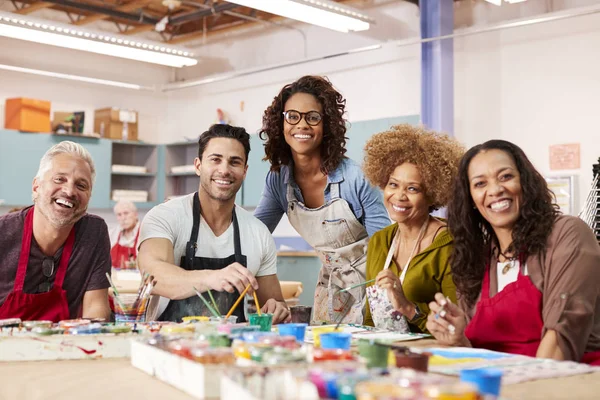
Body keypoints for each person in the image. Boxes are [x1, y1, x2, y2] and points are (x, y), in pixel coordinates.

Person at [426, 140, 600, 364]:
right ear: (470, 199)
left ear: (525, 182)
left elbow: (560, 339)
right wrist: (458, 339)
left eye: (506, 177)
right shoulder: (475, 258)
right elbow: (482, 352)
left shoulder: (567, 233)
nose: (495, 190)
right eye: (480, 184)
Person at [254, 75, 390, 324]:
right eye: (292, 116)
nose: (301, 125)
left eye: (313, 117)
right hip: (330, 286)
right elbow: (254, 236)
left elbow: (387, 246)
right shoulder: (278, 181)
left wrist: (380, 301)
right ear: (281, 124)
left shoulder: (355, 178)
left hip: (374, 283)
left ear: (326, 125)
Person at [138, 124, 290, 323]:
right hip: (167, 343)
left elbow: (273, 302)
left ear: (244, 171)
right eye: (215, 160)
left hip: (233, 347)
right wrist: (212, 278)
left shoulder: (258, 233)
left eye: (234, 162)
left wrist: (278, 309)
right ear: (198, 165)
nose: (224, 170)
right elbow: (153, 277)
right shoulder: (165, 216)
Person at [362, 124, 463, 333]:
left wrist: (408, 307)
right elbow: (370, 319)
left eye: (412, 188)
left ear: (432, 194)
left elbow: (456, 325)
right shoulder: (379, 241)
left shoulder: (449, 245)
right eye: (393, 184)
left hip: (432, 354)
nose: (399, 196)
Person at [0, 141, 111, 322]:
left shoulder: (94, 233)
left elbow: (96, 310)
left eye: (81, 185)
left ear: (89, 197)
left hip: (65, 346)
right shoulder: (3, 232)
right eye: (59, 179)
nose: (69, 191)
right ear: (36, 187)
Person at [110, 200, 141, 269]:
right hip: (116, 277)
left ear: (135, 214)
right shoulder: (112, 233)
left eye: (126, 213)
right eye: (119, 215)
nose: (123, 218)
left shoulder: (144, 233)